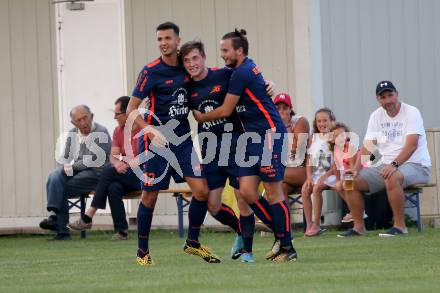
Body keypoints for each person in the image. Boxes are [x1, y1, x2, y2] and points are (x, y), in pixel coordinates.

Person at [193, 29, 298, 262]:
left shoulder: (241, 72)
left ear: (239, 51)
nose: (222, 54)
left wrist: (201, 118)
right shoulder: (237, 70)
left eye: (225, 50)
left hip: (270, 135)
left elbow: (226, 110)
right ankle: (281, 237)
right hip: (251, 140)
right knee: (246, 191)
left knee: (273, 192)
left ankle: (287, 246)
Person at [126, 22, 218, 266]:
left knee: (201, 191)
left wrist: (266, 84)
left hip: (183, 141)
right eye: (159, 39)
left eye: (168, 38)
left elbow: (213, 75)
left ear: (178, 40)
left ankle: (193, 243)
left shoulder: (187, 66)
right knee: (150, 196)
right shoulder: (150, 71)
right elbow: (131, 109)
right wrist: (149, 130)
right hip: (156, 143)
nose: (163, 43)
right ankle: (142, 253)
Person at [180, 40, 276, 262]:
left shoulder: (223, 74)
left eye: (195, 58)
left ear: (203, 57)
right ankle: (242, 234)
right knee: (213, 205)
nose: (191, 64)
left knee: (244, 197)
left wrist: (269, 83)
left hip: (236, 146)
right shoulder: (186, 86)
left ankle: (262, 245)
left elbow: (251, 78)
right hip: (211, 151)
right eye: (186, 60)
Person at [338, 81, 431, 237]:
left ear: (397, 94)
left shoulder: (411, 112)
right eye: (383, 97)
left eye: (390, 95)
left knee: (391, 177)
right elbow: (368, 146)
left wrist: (394, 165)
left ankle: (400, 227)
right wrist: (355, 169)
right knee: (347, 181)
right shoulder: (376, 116)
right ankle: (359, 228)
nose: (388, 100)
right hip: (387, 166)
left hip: (416, 165)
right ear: (378, 99)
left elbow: (412, 145)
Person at [68, 96, 141, 240]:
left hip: (145, 175)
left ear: (128, 113)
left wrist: (123, 164)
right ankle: (122, 231)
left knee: (108, 171)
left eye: (117, 114)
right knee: (113, 187)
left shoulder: (144, 129)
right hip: (126, 174)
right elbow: (112, 157)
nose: (114, 117)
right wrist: (117, 163)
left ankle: (88, 217)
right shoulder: (118, 131)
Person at [39, 105, 111, 240]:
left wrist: (71, 167)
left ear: (92, 116)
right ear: (73, 123)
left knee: (61, 187)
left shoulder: (101, 132)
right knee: (54, 176)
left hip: (97, 174)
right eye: (79, 120)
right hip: (78, 172)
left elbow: (92, 160)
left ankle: (61, 230)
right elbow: (65, 157)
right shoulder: (72, 133)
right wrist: (64, 165)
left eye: (85, 118)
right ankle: (54, 216)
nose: (83, 123)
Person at [301, 108, 336, 236]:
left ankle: (316, 224)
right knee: (305, 189)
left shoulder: (334, 137)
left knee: (316, 189)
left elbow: (338, 162)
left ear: (332, 121)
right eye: (319, 121)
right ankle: (309, 226)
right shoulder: (313, 139)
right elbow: (309, 160)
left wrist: (326, 175)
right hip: (318, 174)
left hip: (334, 173)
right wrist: (309, 177)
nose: (322, 124)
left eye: (325, 120)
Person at [274, 93, 309, 198]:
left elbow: (297, 151)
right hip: (285, 170)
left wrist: (286, 126)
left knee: (269, 172)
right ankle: (283, 215)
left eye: (285, 108)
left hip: (301, 168)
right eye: (278, 108)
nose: (281, 111)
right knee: (279, 190)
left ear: (290, 109)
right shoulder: (272, 124)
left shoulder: (300, 121)